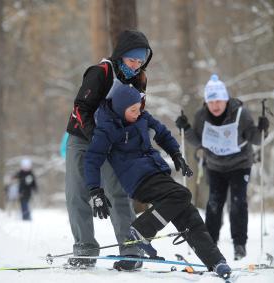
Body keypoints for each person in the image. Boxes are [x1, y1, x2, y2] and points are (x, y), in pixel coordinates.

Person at [83, 83, 232, 279]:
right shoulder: (107, 129)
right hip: (138, 179)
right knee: (183, 194)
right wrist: (95, 190)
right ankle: (141, 230)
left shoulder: (142, 117)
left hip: (157, 173)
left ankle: (216, 261)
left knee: (188, 213)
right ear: (120, 109)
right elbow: (92, 159)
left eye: (139, 108)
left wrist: (176, 154)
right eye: (133, 110)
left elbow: (162, 133)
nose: (138, 113)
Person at [65, 29, 152, 270]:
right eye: (131, 59)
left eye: (140, 60)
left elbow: (136, 113)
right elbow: (80, 108)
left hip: (113, 142)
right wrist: (95, 139)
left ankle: (131, 248)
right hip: (82, 138)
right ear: (120, 55)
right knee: (77, 193)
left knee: (118, 192)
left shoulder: (139, 78)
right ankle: (85, 247)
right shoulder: (100, 73)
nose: (135, 65)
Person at [175, 74, 269, 260]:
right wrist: (185, 129)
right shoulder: (201, 116)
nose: (215, 106)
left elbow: (256, 139)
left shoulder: (241, 114)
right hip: (215, 165)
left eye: (219, 101)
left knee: (237, 202)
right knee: (214, 203)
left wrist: (263, 129)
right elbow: (198, 141)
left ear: (226, 100)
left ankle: (239, 245)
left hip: (240, 164)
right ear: (206, 102)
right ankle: (210, 244)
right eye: (211, 102)